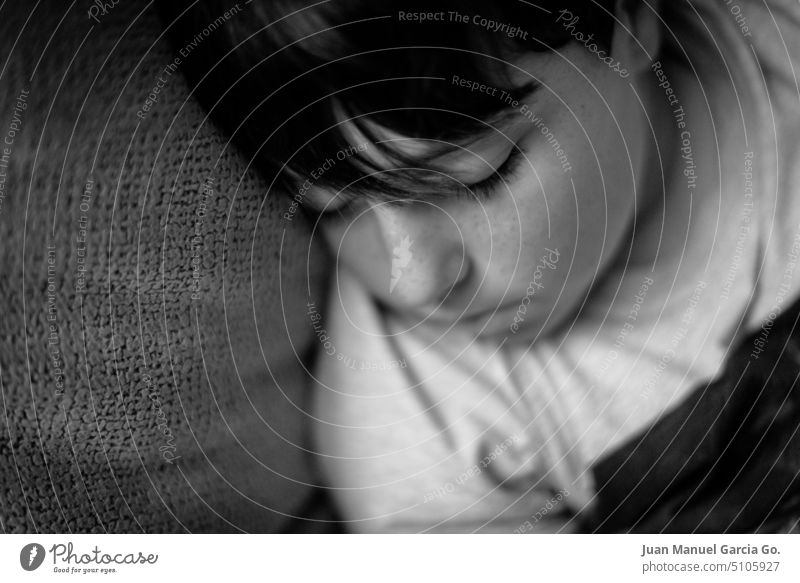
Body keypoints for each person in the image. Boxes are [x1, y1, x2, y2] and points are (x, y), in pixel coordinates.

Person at [161, 0, 800, 532]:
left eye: (480, 179)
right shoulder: (422, 438)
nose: (411, 279)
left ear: (628, 23)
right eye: (333, 212)